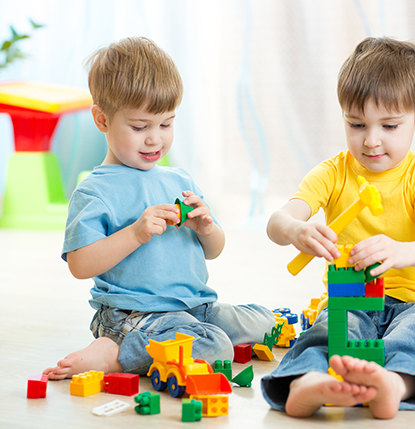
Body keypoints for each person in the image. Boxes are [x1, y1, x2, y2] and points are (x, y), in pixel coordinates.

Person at [43, 37, 275, 380]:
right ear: (102, 120)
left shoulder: (179, 179)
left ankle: (169, 338)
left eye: (166, 124)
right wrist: (135, 234)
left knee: (264, 321)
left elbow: (214, 251)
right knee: (217, 347)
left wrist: (207, 229)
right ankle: (117, 354)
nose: (155, 139)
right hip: (134, 314)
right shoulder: (95, 191)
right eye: (140, 127)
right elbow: (80, 264)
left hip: (193, 306)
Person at [262, 37, 415, 419]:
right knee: (328, 333)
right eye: (356, 124)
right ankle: (305, 382)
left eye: (389, 125)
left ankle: (393, 384)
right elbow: (278, 221)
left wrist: (402, 250)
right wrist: (295, 231)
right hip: (351, 298)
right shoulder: (333, 172)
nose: (371, 141)